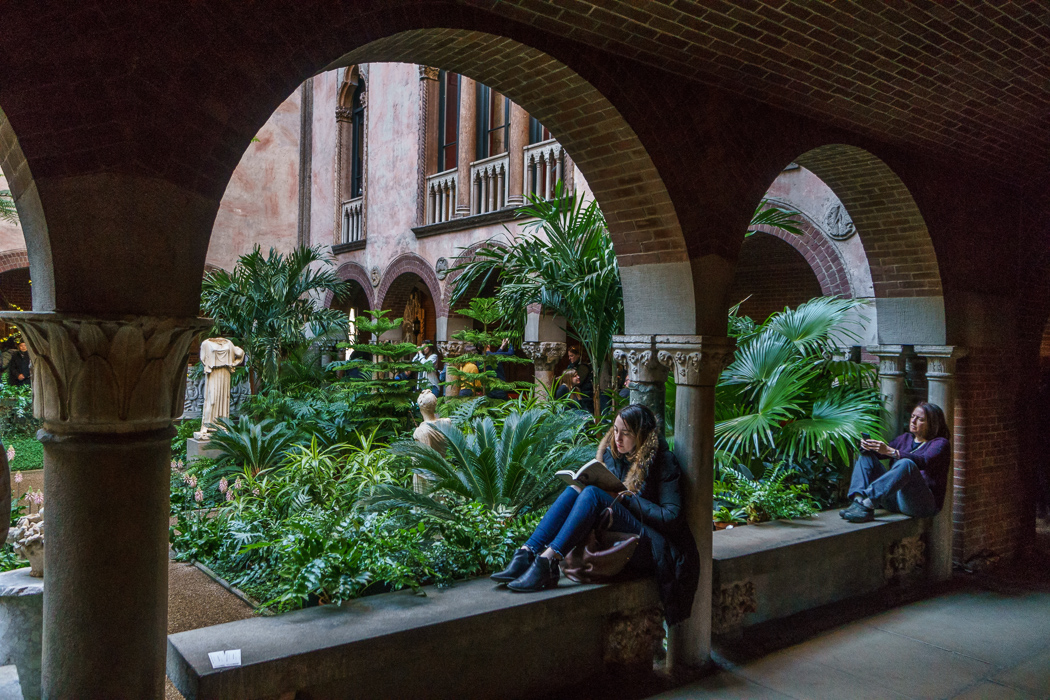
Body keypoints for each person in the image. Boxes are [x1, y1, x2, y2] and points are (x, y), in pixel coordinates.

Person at [491, 404, 700, 625]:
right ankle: (528, 551)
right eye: (616, 430)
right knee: (576, 489)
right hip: (622, 530)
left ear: (641, 434)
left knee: (592, 494)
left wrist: (625, 497)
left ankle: (548, 560)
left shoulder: (663, 461)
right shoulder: (614, 455)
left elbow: (672, 516)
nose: (617, 438)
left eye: (626, 433)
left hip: (653, 543)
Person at [841, 401, 951, 523]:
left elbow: (924, 461)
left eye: (920, 419)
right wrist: (869, 447)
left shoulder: (940, 443)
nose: (913, 421)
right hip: (894, 499)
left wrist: (892, 452)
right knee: (866, 457)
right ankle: (858, 503)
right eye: (913, 416)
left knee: (906, 463)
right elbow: (880, 453)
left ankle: (868, 503)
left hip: (921, 504)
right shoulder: (905, 438)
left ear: (932, 423)